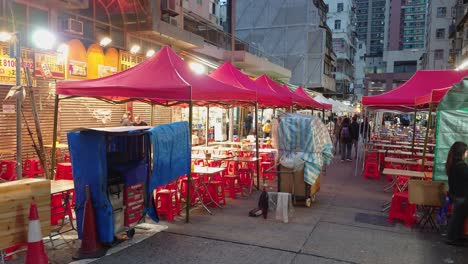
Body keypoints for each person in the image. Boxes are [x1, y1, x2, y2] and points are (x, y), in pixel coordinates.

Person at [446, 142, 468, 246]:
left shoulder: (453, 163)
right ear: (462, 153)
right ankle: (451, 238)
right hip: (461, 196)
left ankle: (458, 236)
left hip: (454, 194)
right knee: (456, 218)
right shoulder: (461, 166)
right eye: (466, 151)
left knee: (459, 217)